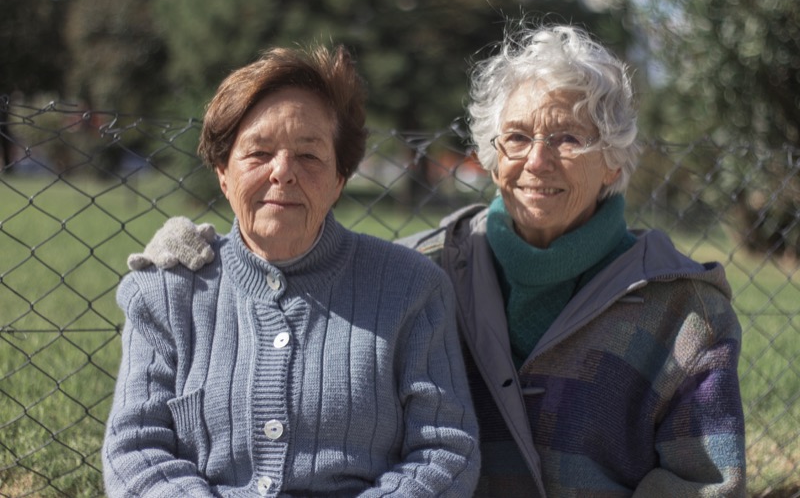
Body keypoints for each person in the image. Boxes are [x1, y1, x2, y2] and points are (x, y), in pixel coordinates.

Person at [130, 24, 747, 497]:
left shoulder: (682, 308)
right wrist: (193, 261)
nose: (537, 160)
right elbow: (299, 265)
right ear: (490, 151)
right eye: (517, 137)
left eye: (569, 138)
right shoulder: (435, 267)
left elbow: (706, 481)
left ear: (614, 161)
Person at [102, 44, 481, 497]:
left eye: (309, 156)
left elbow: (445, 452)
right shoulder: (164, 293)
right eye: (258, 153)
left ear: (340, 178)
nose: (283, 173)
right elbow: (135, 450)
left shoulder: (414, 289)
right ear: (223, 172)